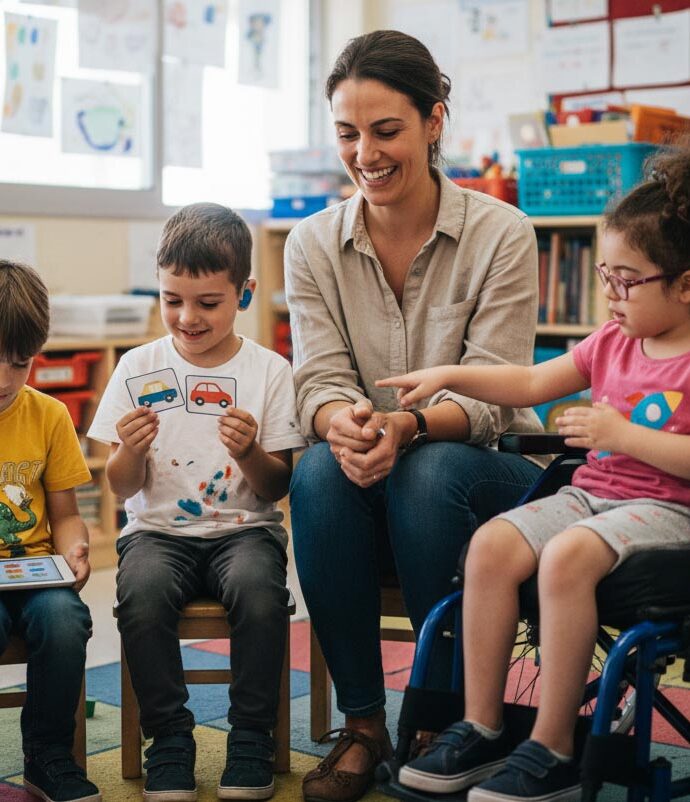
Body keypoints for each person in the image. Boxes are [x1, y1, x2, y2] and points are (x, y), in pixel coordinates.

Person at [378, 141, 690, 802]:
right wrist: (450, 373)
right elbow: (526, 380)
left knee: (568, 556)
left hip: (672, 515)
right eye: (603, 275)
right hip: (595, 498)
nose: (610, 294)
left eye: (626, 280)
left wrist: (623, 435)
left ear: (686, 283)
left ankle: (552, 747)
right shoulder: (613, 339)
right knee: (491, 543)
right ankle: (484, 726)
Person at [284, 29, 545, 802]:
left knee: (426, 473)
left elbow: (499, 393)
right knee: (317, 474)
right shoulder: (311, 245)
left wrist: (411, 427)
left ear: (434, 122)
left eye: (386, 130)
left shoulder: (502, 234)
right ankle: (365, 727)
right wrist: (341, 421)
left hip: (477, 475)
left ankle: (449, 720)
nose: (365, 152)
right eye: (348, 134)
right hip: (373, 470)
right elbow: (318, 380)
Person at [87, 203, 305, 802]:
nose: (187, 318)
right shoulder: (137, 366)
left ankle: (251, 738)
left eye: (208, 303)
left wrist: (254, 451)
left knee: (263, 598)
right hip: (157, 533)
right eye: (172, 299)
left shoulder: (269, 371)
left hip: (246, 531)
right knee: (141, 597)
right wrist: (128, 451)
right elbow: (120, 486)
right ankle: (170, 740)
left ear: (244, 294)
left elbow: (276, 486)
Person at [0, 261, 100, 802]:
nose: (3, 380)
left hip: (36, 568)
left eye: (19, 363)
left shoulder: (50, 415)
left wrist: (75, 553)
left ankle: (47, 755)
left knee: (64, 621)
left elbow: (64, 513)